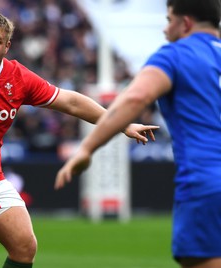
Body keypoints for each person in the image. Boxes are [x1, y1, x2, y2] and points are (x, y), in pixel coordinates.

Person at [0, 10, 158, 268]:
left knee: (24, 246)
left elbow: (69, 102)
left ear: (7, 46)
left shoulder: (16, 77)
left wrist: (121, 124)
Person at [55, 0, 221, 267]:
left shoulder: (175, 55)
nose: (165, 30)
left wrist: (87, 148)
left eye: (169, 21)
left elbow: (136, 98)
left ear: (186, 23)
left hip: (207, 183)